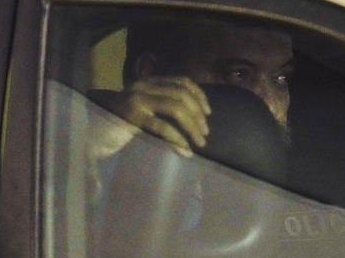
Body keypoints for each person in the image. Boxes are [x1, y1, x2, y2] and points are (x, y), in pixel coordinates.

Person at [94, 17, 294, 159]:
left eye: (281, 78)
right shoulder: (92, 143)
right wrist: (86, 153)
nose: (270, 105)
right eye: (239, 75)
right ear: (152, 75)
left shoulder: (310, 187)